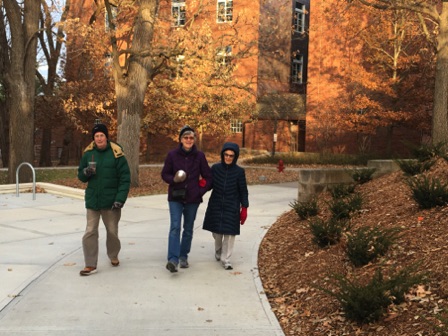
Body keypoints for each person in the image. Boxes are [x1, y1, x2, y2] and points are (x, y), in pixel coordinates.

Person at [77, 123, 131, 276]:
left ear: (106, 137)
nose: (99, 138)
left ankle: (113, 255)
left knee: (112, 232)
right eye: (96, 136)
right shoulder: (88, 153)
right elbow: (80, 176)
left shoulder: (117, 153)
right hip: (93, 201)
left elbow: (125, 178)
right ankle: (90, 264)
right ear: (93, 138)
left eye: (102, 135)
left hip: (111, 202)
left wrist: (120, 199)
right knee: (90, 231)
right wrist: (86, 172)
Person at [161, 125, 212, 273]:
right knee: (175, 226)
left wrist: (199, 191)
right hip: (175, 197)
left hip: (192, 199)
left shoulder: (200, 156)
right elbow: (165, 174)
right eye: (186, 137)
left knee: (188, 229)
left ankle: (183, 256)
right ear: (181, 139)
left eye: (191, 137)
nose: (189, 140)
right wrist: (174, 179)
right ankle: (173, 259)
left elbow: (209, 178)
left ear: (194, 139)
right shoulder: (172, 155)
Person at [202, 142, 249, 270]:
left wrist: (244, 207)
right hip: (216, 205)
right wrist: (201, 184)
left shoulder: (239, 172)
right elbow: (209, 184)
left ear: (235, 157)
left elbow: (243, 191)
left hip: (232, 206)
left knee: (229, 234)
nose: (228, 157)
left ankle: (226, 259)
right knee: (216, 233)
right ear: (222, 155)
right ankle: (218, 252)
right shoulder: (215, 168)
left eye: (231, 156)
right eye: (226, 155)